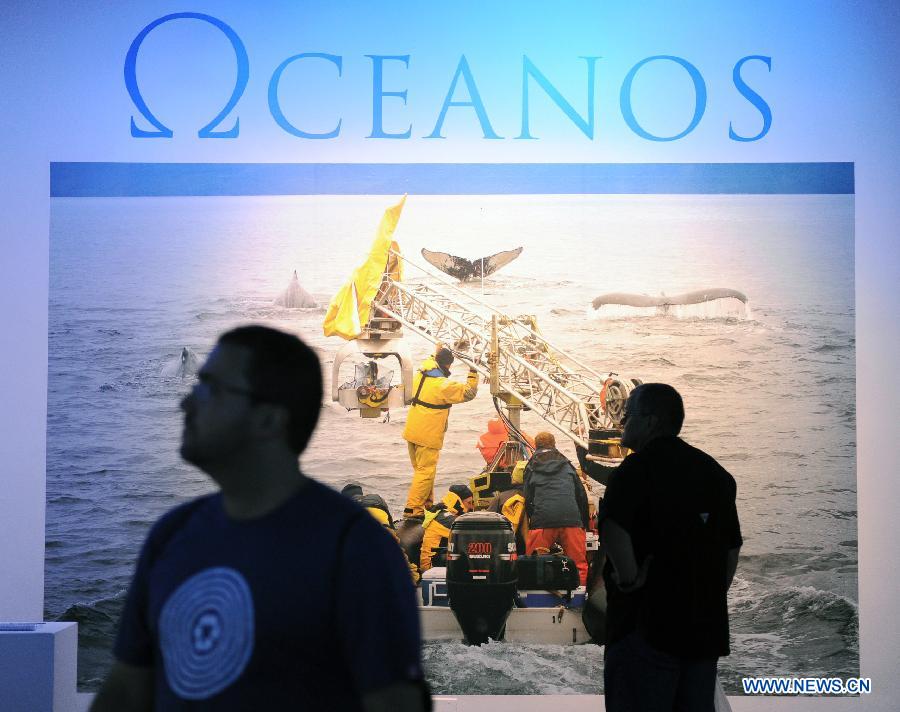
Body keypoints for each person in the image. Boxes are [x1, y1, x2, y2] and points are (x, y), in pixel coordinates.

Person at [92, 326, 429, 712]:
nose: (187, 404)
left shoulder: (355, 549)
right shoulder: (171, 535)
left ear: (269, 419)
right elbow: (125, 689)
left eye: (211, 390)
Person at [598, 383, 742, 712]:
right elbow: (730, 550)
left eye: (628, 414)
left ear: (651, 421)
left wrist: (630, 577)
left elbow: (612, 527)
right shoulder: (717, 474)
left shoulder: (633, 470)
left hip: (647, 629)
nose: (622, 423)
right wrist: (710, 595)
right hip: (703, 634)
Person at [402, 345, 478, 519]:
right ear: (448, 365)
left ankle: (425, 505)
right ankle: (412, 509)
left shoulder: (424, 369)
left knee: (422, 471)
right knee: (425, 472)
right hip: (428, 435)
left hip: (412, 430)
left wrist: (447, 347)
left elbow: (433, 354)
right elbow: (469, 392)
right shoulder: (443, 385)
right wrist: (473, 371)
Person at [523, 431, 590, 585]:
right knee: (578, 564)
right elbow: (581, 496)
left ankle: (534, 598)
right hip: (572, 520)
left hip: (543, 521)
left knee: (533, 562)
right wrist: (583, 524)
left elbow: (528, 498)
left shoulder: (531, 466)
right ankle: (578, 599)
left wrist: (534, 520)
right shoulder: (567, 465)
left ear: (535, 445)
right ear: (554, 445)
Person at [419, 484, 473, 573]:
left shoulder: (445, 511)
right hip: (431, 566)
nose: (471, 507)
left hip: (441, 558)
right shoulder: (444, 518)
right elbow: (469, 531)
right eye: (469, 503)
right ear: (458, 502)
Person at [486, 460, 528, 554]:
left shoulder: (500, 497)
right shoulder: (536, 496)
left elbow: (488, 520)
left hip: (503, 545)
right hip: (528, 547)